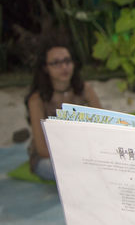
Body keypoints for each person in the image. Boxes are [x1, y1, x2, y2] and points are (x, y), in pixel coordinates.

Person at [26, 37, 101, 181]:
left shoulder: (85, 90)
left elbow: (105, 126)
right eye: (56, 63)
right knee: (69, 173)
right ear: (45, 68)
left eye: (67, 61)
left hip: (85, 152)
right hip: (51, 156)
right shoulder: (37, 100)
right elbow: (42, 149)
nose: (64, 67)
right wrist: (75, 158)